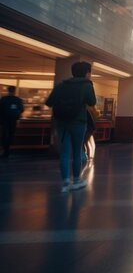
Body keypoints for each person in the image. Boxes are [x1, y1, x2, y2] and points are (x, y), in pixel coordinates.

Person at [46, 61, 97, 193]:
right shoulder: (87, 85)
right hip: (78, 122)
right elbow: (92, 102)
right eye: (90, 72)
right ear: (87, 73)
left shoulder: (61, 85)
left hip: (61, 122)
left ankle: (65, 182)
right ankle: (76, 181)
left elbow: (49, 102)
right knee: (76, 152)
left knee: (64, 153)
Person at [0, 86, 24, 159]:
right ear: (14, 91)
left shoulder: (3, 99)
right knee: (11, 134)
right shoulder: (18, 100)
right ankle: (10, 148)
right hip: (13, 120)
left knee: (4, 134)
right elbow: (22, 109)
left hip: (4, 120)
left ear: (8, 91)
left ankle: (5, 150)